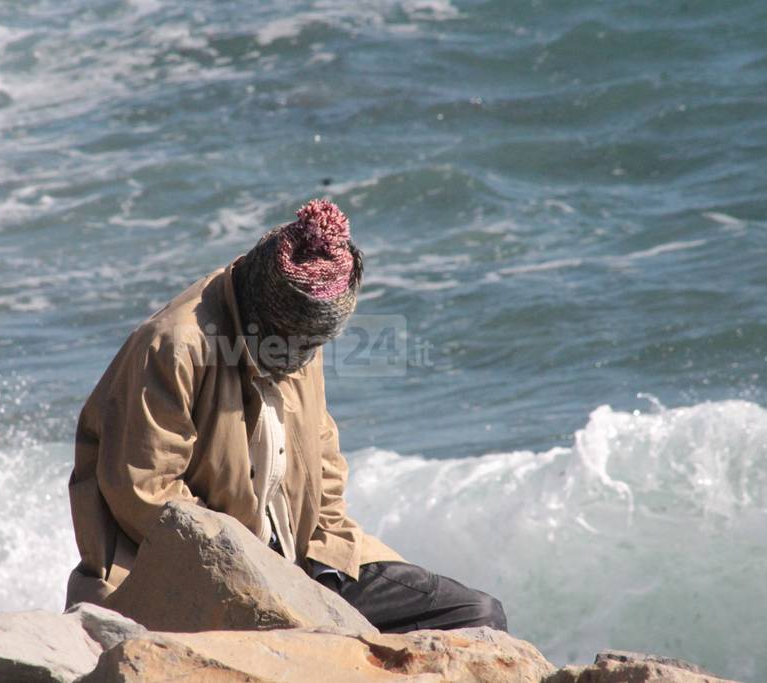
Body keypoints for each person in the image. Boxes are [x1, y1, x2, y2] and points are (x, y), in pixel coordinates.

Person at [65, 199, 506, 633]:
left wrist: (327, 561)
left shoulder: (296, 335)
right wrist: (257, 571)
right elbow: (144, 492)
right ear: (263, 315)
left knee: (475, 616)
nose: (303, 358)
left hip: (303, 561)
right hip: (191, 575)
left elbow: (324, 461)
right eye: (296, 344)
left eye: (312, 346)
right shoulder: (175, 346)